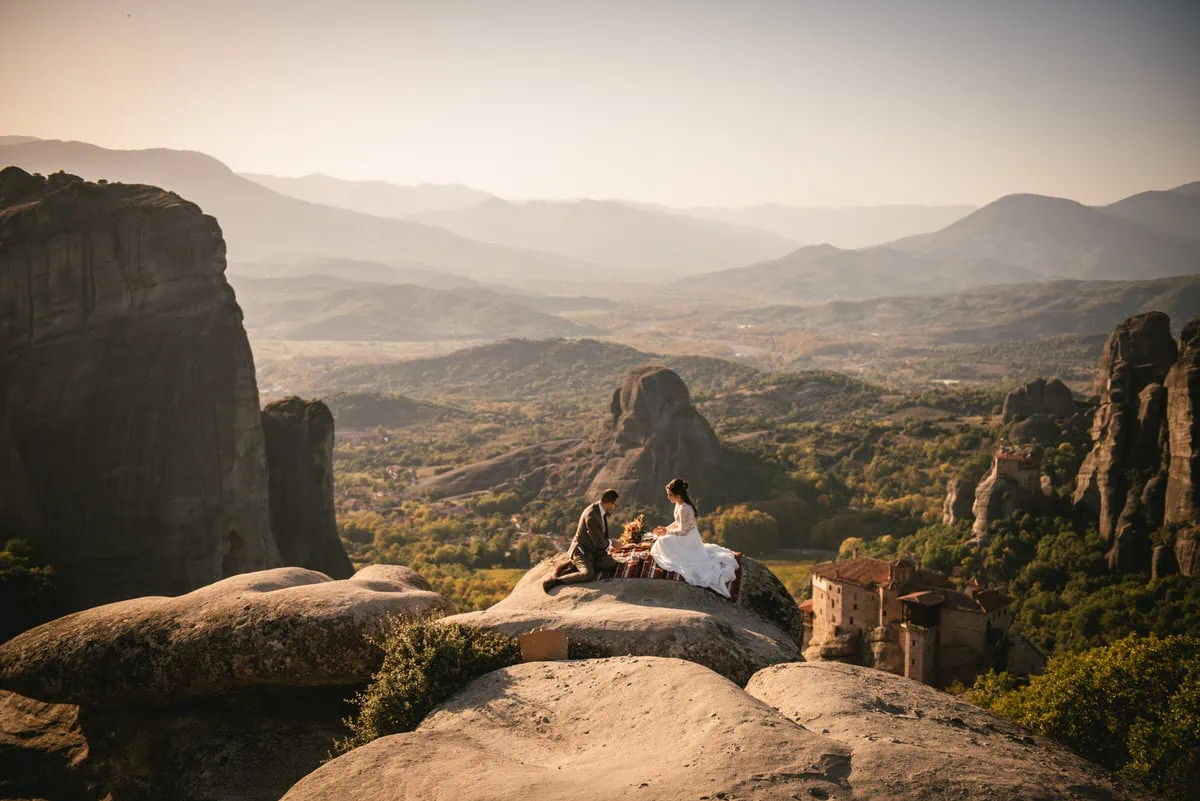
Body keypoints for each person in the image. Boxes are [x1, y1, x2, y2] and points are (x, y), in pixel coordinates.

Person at [650, 478, 739, 598]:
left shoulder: (685, 508)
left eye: (670, 495)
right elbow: (677, 523)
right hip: (683, 534)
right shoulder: (678, 504)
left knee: (662, 542)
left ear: (678, 494)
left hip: (688, 538)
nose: (668, 497)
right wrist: (665, 529)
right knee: (660, 538)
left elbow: (683, 530)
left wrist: (666, 532)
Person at [543, 489, 621, 592]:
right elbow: (598, 542)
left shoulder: (600, 511)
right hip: (581, 550)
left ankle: (578, 564)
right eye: (615, 505)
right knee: (588, 574)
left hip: (592, 550)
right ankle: (557, 581)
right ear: (609, 503)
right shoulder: (592, 515)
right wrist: (612, 542)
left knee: (611, 564)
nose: (614, 508)